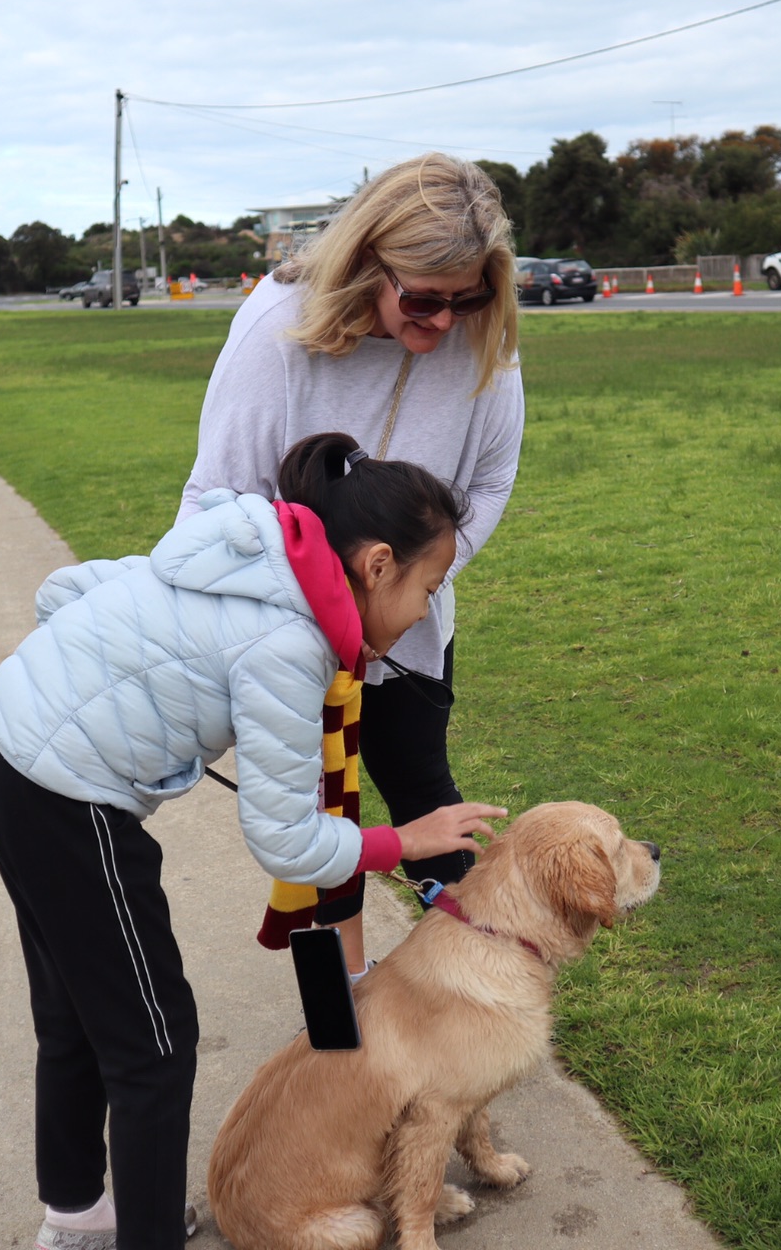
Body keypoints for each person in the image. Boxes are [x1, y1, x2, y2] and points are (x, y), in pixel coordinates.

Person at [0, 431, 507, 1250]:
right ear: (376, 566)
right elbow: (288, 843)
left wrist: (119, 694)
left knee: (79, 1013)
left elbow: (63, 590)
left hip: (4, 758)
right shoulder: (287, 641)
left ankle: (80, 1215)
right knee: (155, 1040)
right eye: (429, 587)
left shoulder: (247, 551)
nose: (428, 609)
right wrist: (403, 840)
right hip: (66, 800)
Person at [179, 152, 523, 978]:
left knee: (429, 804)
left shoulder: (482, 337)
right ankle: (340, 1039)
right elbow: (220, 505)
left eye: (468, 298)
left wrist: (405, 599)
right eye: (423, 299)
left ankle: (471, 1000)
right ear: (368, 261)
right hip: (285, 644)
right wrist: (334, 622)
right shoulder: (276, 335)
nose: (447, 322)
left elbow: (487, 481)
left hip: (405, 632)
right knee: (314, 840)